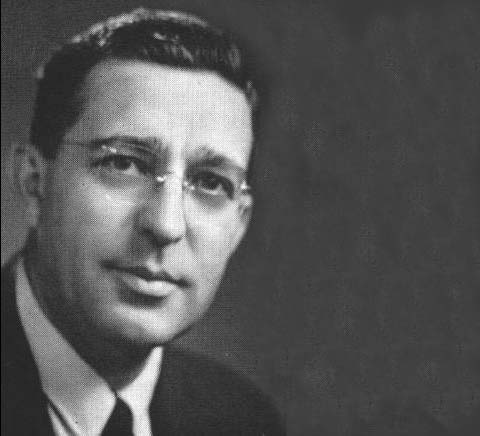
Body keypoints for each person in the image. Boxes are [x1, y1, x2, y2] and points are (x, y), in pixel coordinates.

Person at [1, 8, 284, 435]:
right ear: (34, 182)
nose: (166, 225)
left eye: (210, 182)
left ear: (239, 224)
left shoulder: (242, 419)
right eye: (124, 164)